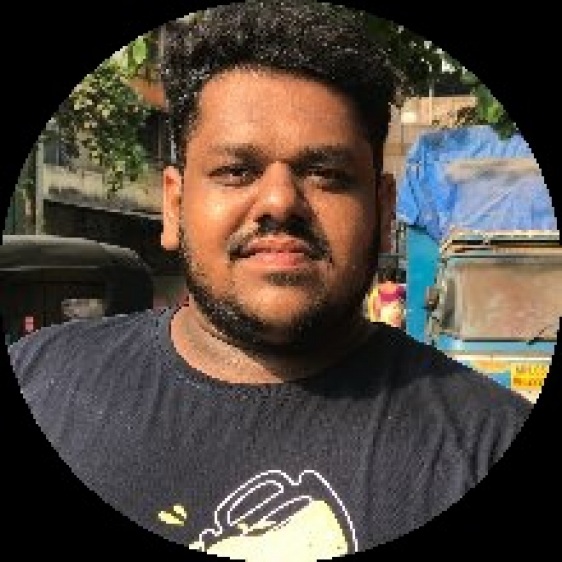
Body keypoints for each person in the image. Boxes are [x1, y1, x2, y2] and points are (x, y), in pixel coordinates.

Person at [8, 0, 533, 557]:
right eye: (236, 171)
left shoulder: (486, 444)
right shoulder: (39, 381)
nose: (280, 201)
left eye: (326, 174)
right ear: (175, 205)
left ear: (383, 211)